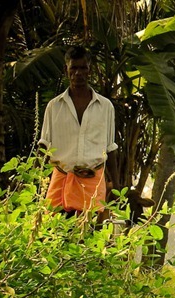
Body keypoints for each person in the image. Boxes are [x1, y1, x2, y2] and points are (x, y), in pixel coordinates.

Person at [39, 46, 118, 221]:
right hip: (61, 182)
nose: (78, 73)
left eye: (83, 68)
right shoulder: (54, 107)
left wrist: (117, 188)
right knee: (55, 237)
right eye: (73, 68)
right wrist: (36, 183)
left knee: (88, 241)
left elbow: (110, 149)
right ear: (66, 70)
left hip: (92, 183)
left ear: (90, 70)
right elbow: (43, 148)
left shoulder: (106, 107)